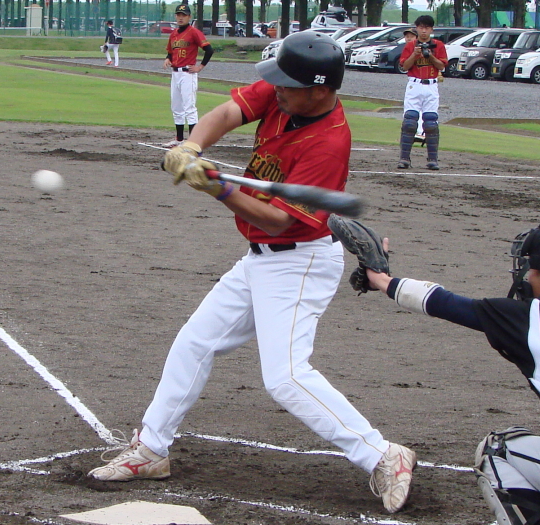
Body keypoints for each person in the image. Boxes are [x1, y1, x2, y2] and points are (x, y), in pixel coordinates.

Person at [88, 30, 417, 515]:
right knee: (195, 342)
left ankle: (383, 455)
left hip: (299, 263)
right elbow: (226, 113)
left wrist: (217, 189)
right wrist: (193, 147)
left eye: (286, 85)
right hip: (260, 260)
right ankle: (152, 449)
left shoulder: (329, 143)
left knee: (285, 377)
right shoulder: (287, 90)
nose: (276, 89)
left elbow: (278, 220)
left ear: (319, 90)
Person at [359, 219, 540, 525]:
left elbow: (445, 303)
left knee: (497, 451)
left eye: (531, 269)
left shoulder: (534, 321)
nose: (526, 276)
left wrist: (381, 279)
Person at [161, 2, 214, 148]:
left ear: (189, 17)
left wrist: (200, 67)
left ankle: (193, 141)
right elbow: (171, 52)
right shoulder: (173, 34)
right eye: (178, 15)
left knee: (189, 108)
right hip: (175, 74)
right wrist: (167, 59)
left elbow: (209, 50)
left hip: (187, 74)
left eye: (183, 15)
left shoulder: (194, 32)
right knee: (176, 107)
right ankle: (179, 139)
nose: (180, 17)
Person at [397, 15, 446, 171]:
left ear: (431, 29)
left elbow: (442, 66)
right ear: (416, 29)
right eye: (421, 28)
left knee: (431, 122)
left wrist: (430, 55)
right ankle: (404, 158)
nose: (424, 31)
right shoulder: (410, 45)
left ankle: (433, 159)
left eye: (427, 28)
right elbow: (405, 66)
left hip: (431, 85)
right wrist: (415, 54)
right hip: (415, 84)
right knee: (410, 121)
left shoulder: (438, 45)